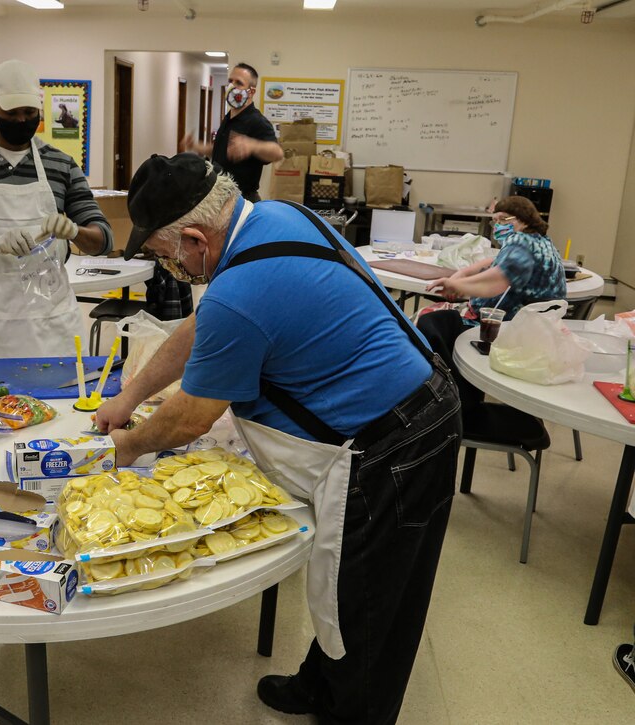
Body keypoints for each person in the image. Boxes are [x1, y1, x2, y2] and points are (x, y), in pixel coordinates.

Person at [96, 153, 461, 724]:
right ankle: (320, 686)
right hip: (420, 405)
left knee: (368, 603)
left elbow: (191, 417)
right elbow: (201, 327)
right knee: (358, 587)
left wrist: (130, 444)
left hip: (394, 442)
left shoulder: (239, 292)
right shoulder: (273, 219)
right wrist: (127, 396)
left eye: (166, 253)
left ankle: (352, 713)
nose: (169, 265)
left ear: (195, 238)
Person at [0, 59, 113, 359]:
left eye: (29, 113)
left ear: (39, 110)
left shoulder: (62, 165)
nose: (21, 120)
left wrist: (74, 232)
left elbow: (104, 240)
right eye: (12, 113)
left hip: (54, 322)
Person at [419, 196, 566, 408]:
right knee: (437, 318)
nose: (498, 226)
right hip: (536, 333)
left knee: (428, 322)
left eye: (503, 220)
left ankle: (454, 398)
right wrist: (460, 276)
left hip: (508, 331)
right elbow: (491, 263)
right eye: (495, 221)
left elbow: (497, 281)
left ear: (521, 220)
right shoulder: (541, 242)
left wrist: (456, 286)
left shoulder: (522, 243)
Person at [184, 63, 282, 203]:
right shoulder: (229, 118)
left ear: (251, 92)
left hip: (241, 200)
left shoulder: (257, 121)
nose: (232, 86)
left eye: (239, 83)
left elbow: (277, 152)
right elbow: (224, 150)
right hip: (219, 195)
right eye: (230, 81)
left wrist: (252, 146)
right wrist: (198, 147)